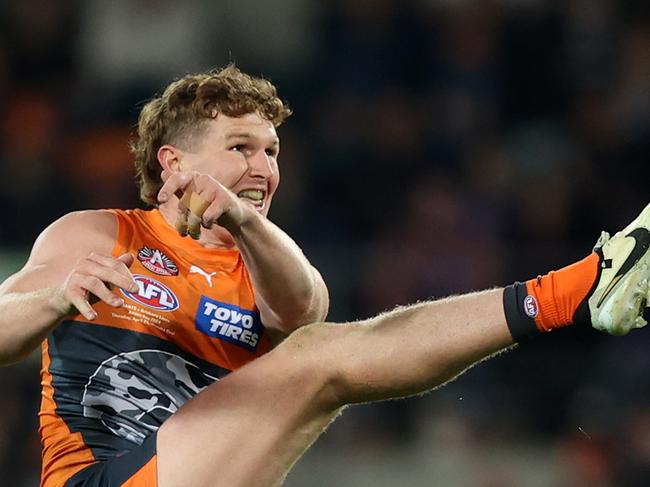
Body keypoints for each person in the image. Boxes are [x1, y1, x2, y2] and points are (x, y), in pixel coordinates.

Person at [0, 65, 648, 487]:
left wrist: (241, 221)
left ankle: (585, 289)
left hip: (199, 468)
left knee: (320, 350)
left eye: (273, 151)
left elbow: (305, 317)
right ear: (173, 160)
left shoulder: (266, 265)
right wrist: (55, 298)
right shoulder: (97, 233)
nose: (265, 168)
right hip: (104, 477)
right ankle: (582, 288)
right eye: (241, 148)